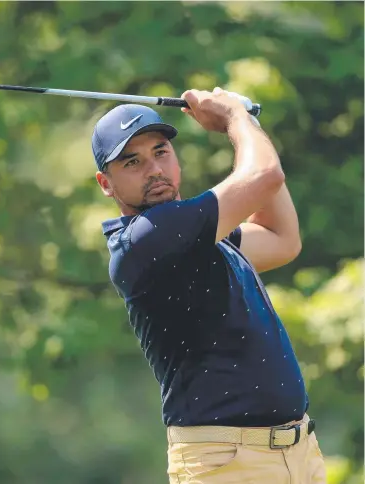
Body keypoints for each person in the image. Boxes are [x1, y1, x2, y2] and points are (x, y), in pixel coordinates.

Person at [91, 88, 327, 484]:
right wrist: (236, 118)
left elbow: (281, 237)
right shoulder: (147, 239)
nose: (154, 170)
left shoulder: (202, 237)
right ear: (106, 183)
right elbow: (265, 175)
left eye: (161, 152)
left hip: (298, 453)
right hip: (226, 464)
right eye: (133, 162)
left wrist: (248, 124)